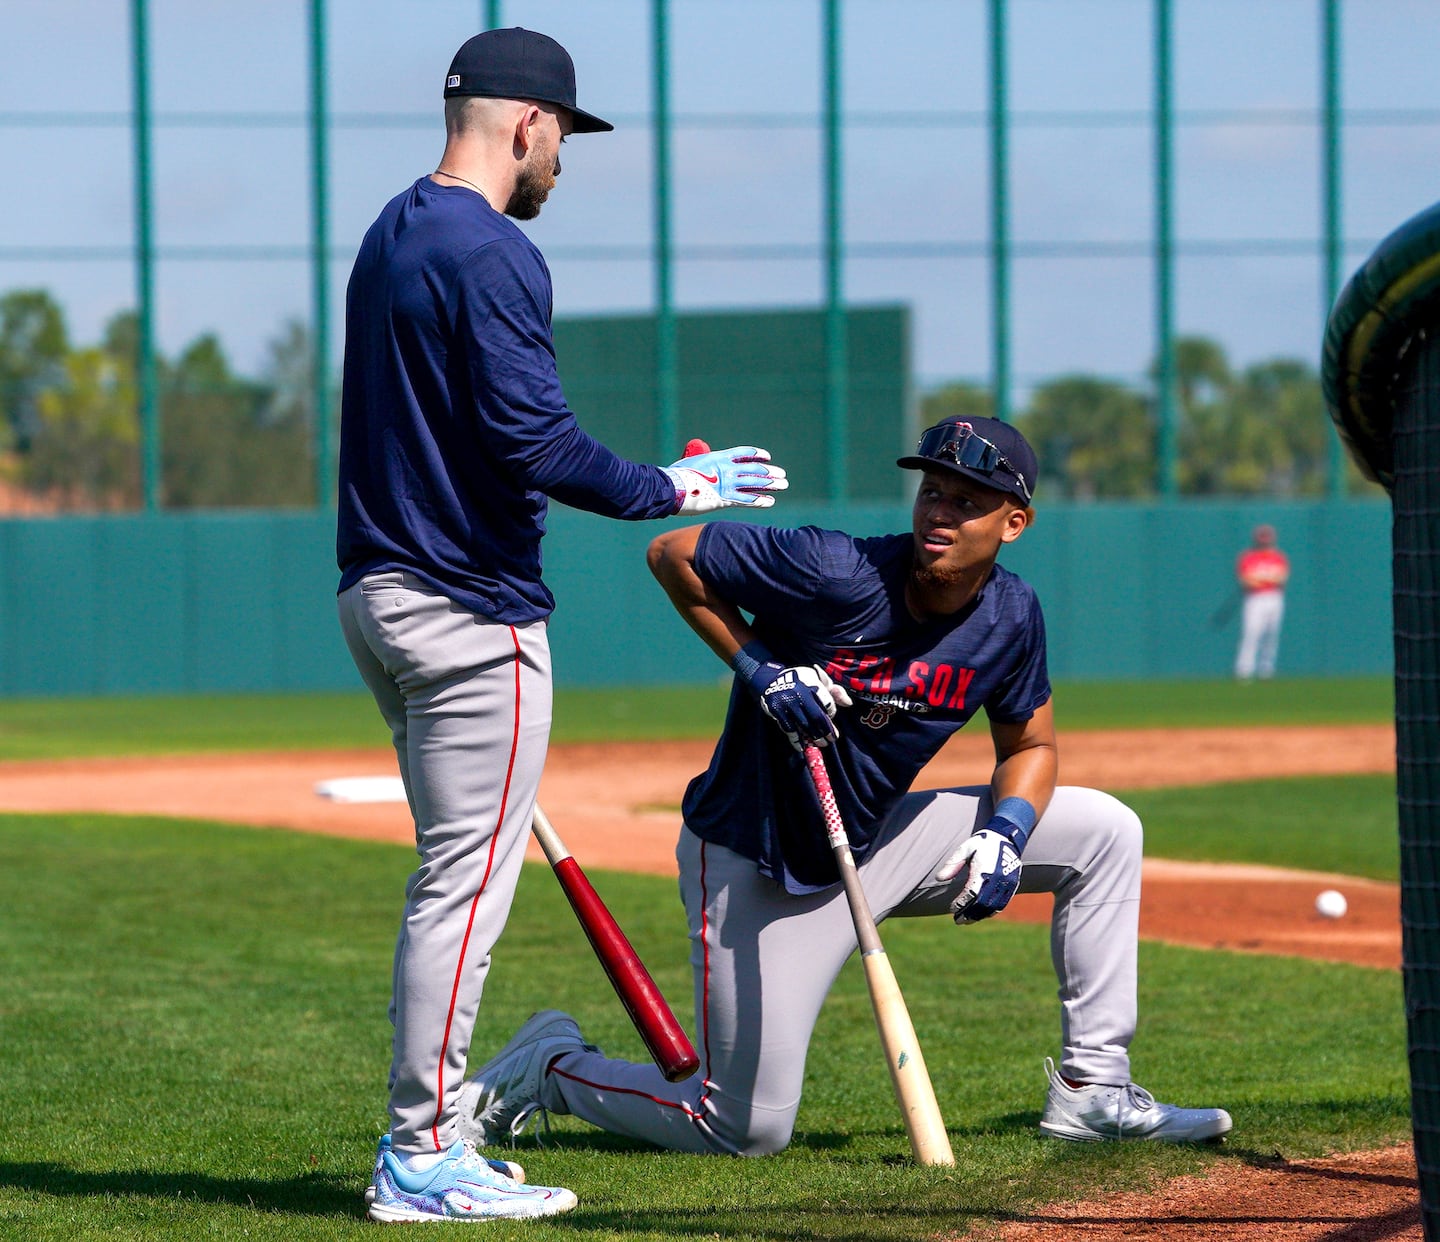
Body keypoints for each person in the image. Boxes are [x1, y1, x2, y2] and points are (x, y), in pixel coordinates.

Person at [454, 417, 1232, 1159]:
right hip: (756, 862)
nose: (940, 512)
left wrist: (1008, 832)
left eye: (966, 502)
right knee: (741, 1127)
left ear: (1014, 523)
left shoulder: (1011, 614)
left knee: (1103, 830)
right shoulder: (835, 570)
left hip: (875, 840)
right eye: (932, 491)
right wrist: (763, 668)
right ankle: (551, 1068)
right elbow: (672, 556)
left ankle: (1094, 1089)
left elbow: (1029, 744)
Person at [335, 26, 787, 1224]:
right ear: (526, 123)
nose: (560, 166)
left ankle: (431, 1141)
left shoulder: (392, 230)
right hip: (470, 608)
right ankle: (420, 1153)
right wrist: (679, 487)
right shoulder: (492, 251)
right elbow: (537, 446)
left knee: (453, 879)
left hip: (378, 596)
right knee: (463, 893)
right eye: (561, 141)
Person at [1234, 524, 1289, 681]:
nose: (1265, 541)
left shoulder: (1278, 556)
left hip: (1274, 597)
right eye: (1262, 537)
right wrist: (1265, 580)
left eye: (1267, 537)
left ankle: (1266, 670)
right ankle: (1244, 670)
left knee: (1271, 635)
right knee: (1251, 633)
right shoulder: (1248, 556)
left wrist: (1261, 579)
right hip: (1254, 598)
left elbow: (1281, 578)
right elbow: (1246, 580)